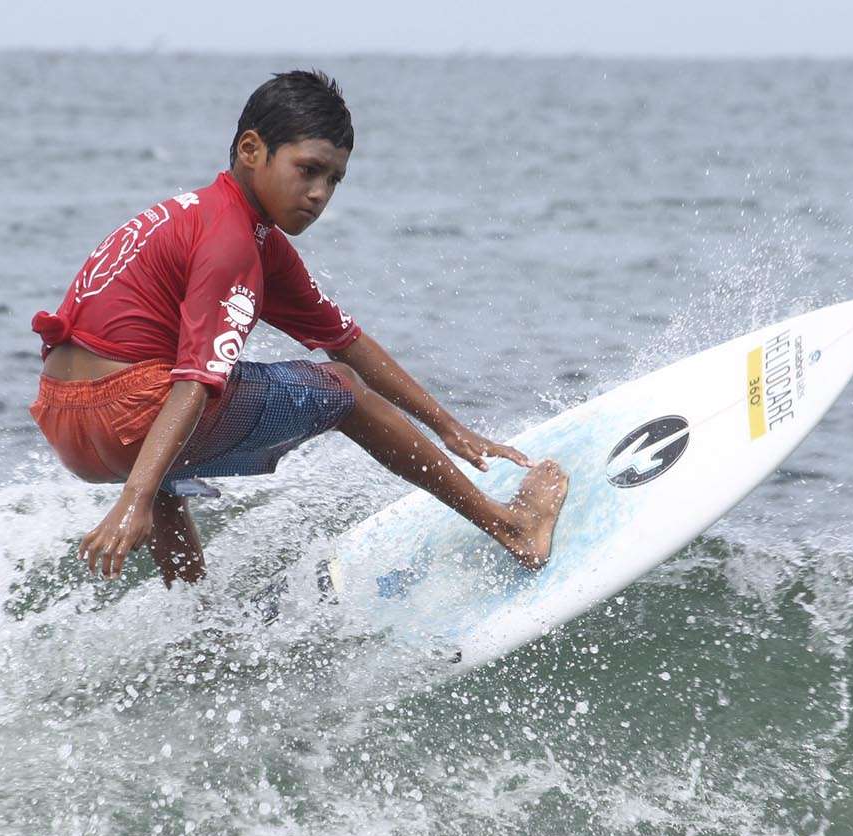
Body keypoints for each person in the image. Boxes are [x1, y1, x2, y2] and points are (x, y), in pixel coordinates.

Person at [29, 70, 568, 584]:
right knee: (341, 389)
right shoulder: (231, 241)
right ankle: (512, 527)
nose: (319, 194)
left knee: (173, 431)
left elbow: (346, 339)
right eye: (307, 170)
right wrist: (133, 501)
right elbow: (198, 379)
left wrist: (449, 427)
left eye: (333, 179)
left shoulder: (209, 220)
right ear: (251, 150)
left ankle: (195, 623)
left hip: (65, 421)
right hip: (127, 414)